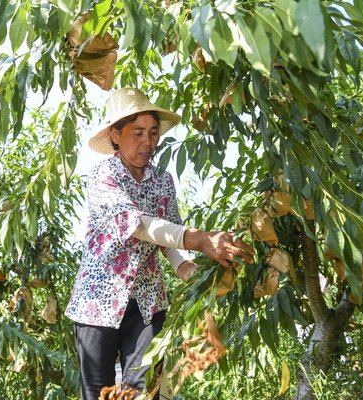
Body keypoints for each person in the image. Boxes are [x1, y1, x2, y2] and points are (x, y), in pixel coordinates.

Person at [65, 87, 255, 400]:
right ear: (115, 135)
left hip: (147, 301)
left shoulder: (163, 180)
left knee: (146, 391)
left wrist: (187, 268)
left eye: (153, 133)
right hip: (98, 302)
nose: (148, 142)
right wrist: (201, 239)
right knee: (98, 394)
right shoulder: (103, 175)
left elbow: (169, 236)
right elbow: (138, 225)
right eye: (137, 133)